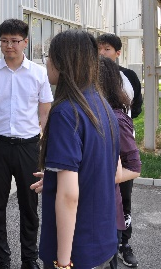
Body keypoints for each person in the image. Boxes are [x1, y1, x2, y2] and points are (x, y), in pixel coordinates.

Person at [31, 29, 119, 269]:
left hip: (77, 249)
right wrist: (54, 178)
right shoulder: (101, 105)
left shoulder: (66, 113)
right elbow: (104, 169)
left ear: (62, 62)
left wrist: (63, 263)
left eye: (49, 56)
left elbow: (69, 196)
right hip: (102, 240)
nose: (46, 62)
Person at [0, 18, 53, 269]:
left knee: (29, 206)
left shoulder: (38, 73)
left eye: (15, 41)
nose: (9, 46)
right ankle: (2, 261)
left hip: (29, 147)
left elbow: (45, 111)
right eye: (4, 41)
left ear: (25, 42)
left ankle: (29, 259)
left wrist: (44, 146)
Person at [97, 33, 142, 268]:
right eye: (98, 48)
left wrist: (121, 123)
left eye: (106, 49)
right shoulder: (90, 74)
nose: (101, 53)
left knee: (124, 198)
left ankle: (124, 243)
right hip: (99, 147)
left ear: (117, 52)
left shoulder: (128, 76)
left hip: (122, 144)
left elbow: (137, 107)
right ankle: (108, 246)